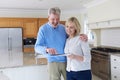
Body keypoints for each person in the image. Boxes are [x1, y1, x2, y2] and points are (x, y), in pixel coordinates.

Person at [35, 7, 88, 80]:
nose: (56, 21)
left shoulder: (64, 28)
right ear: (48, 17)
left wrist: (82, 35)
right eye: (53, 19)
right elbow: (37, 47)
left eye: (57, 19)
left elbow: (72, 37)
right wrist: (46, 49)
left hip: (67, 61)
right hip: (52, 62)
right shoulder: (43, 29)